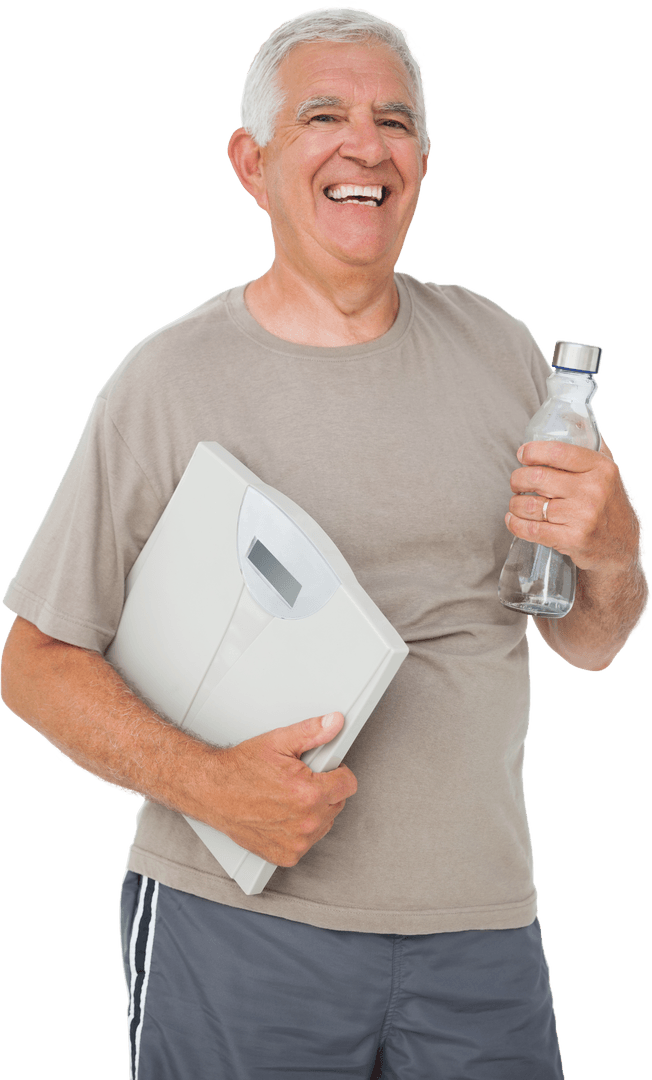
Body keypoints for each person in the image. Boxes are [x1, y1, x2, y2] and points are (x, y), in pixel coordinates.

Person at [1, 7, 647, 1079]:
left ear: (422, 165)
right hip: (238, 931)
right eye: (324, 116)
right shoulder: (166, 382)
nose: (366, 144)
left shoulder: (500, 350)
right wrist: (209, 785)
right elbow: (34, 660)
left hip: (481, 929)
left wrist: (617, 554)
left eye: (393, 122)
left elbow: (589, 638)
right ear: (252, 163)